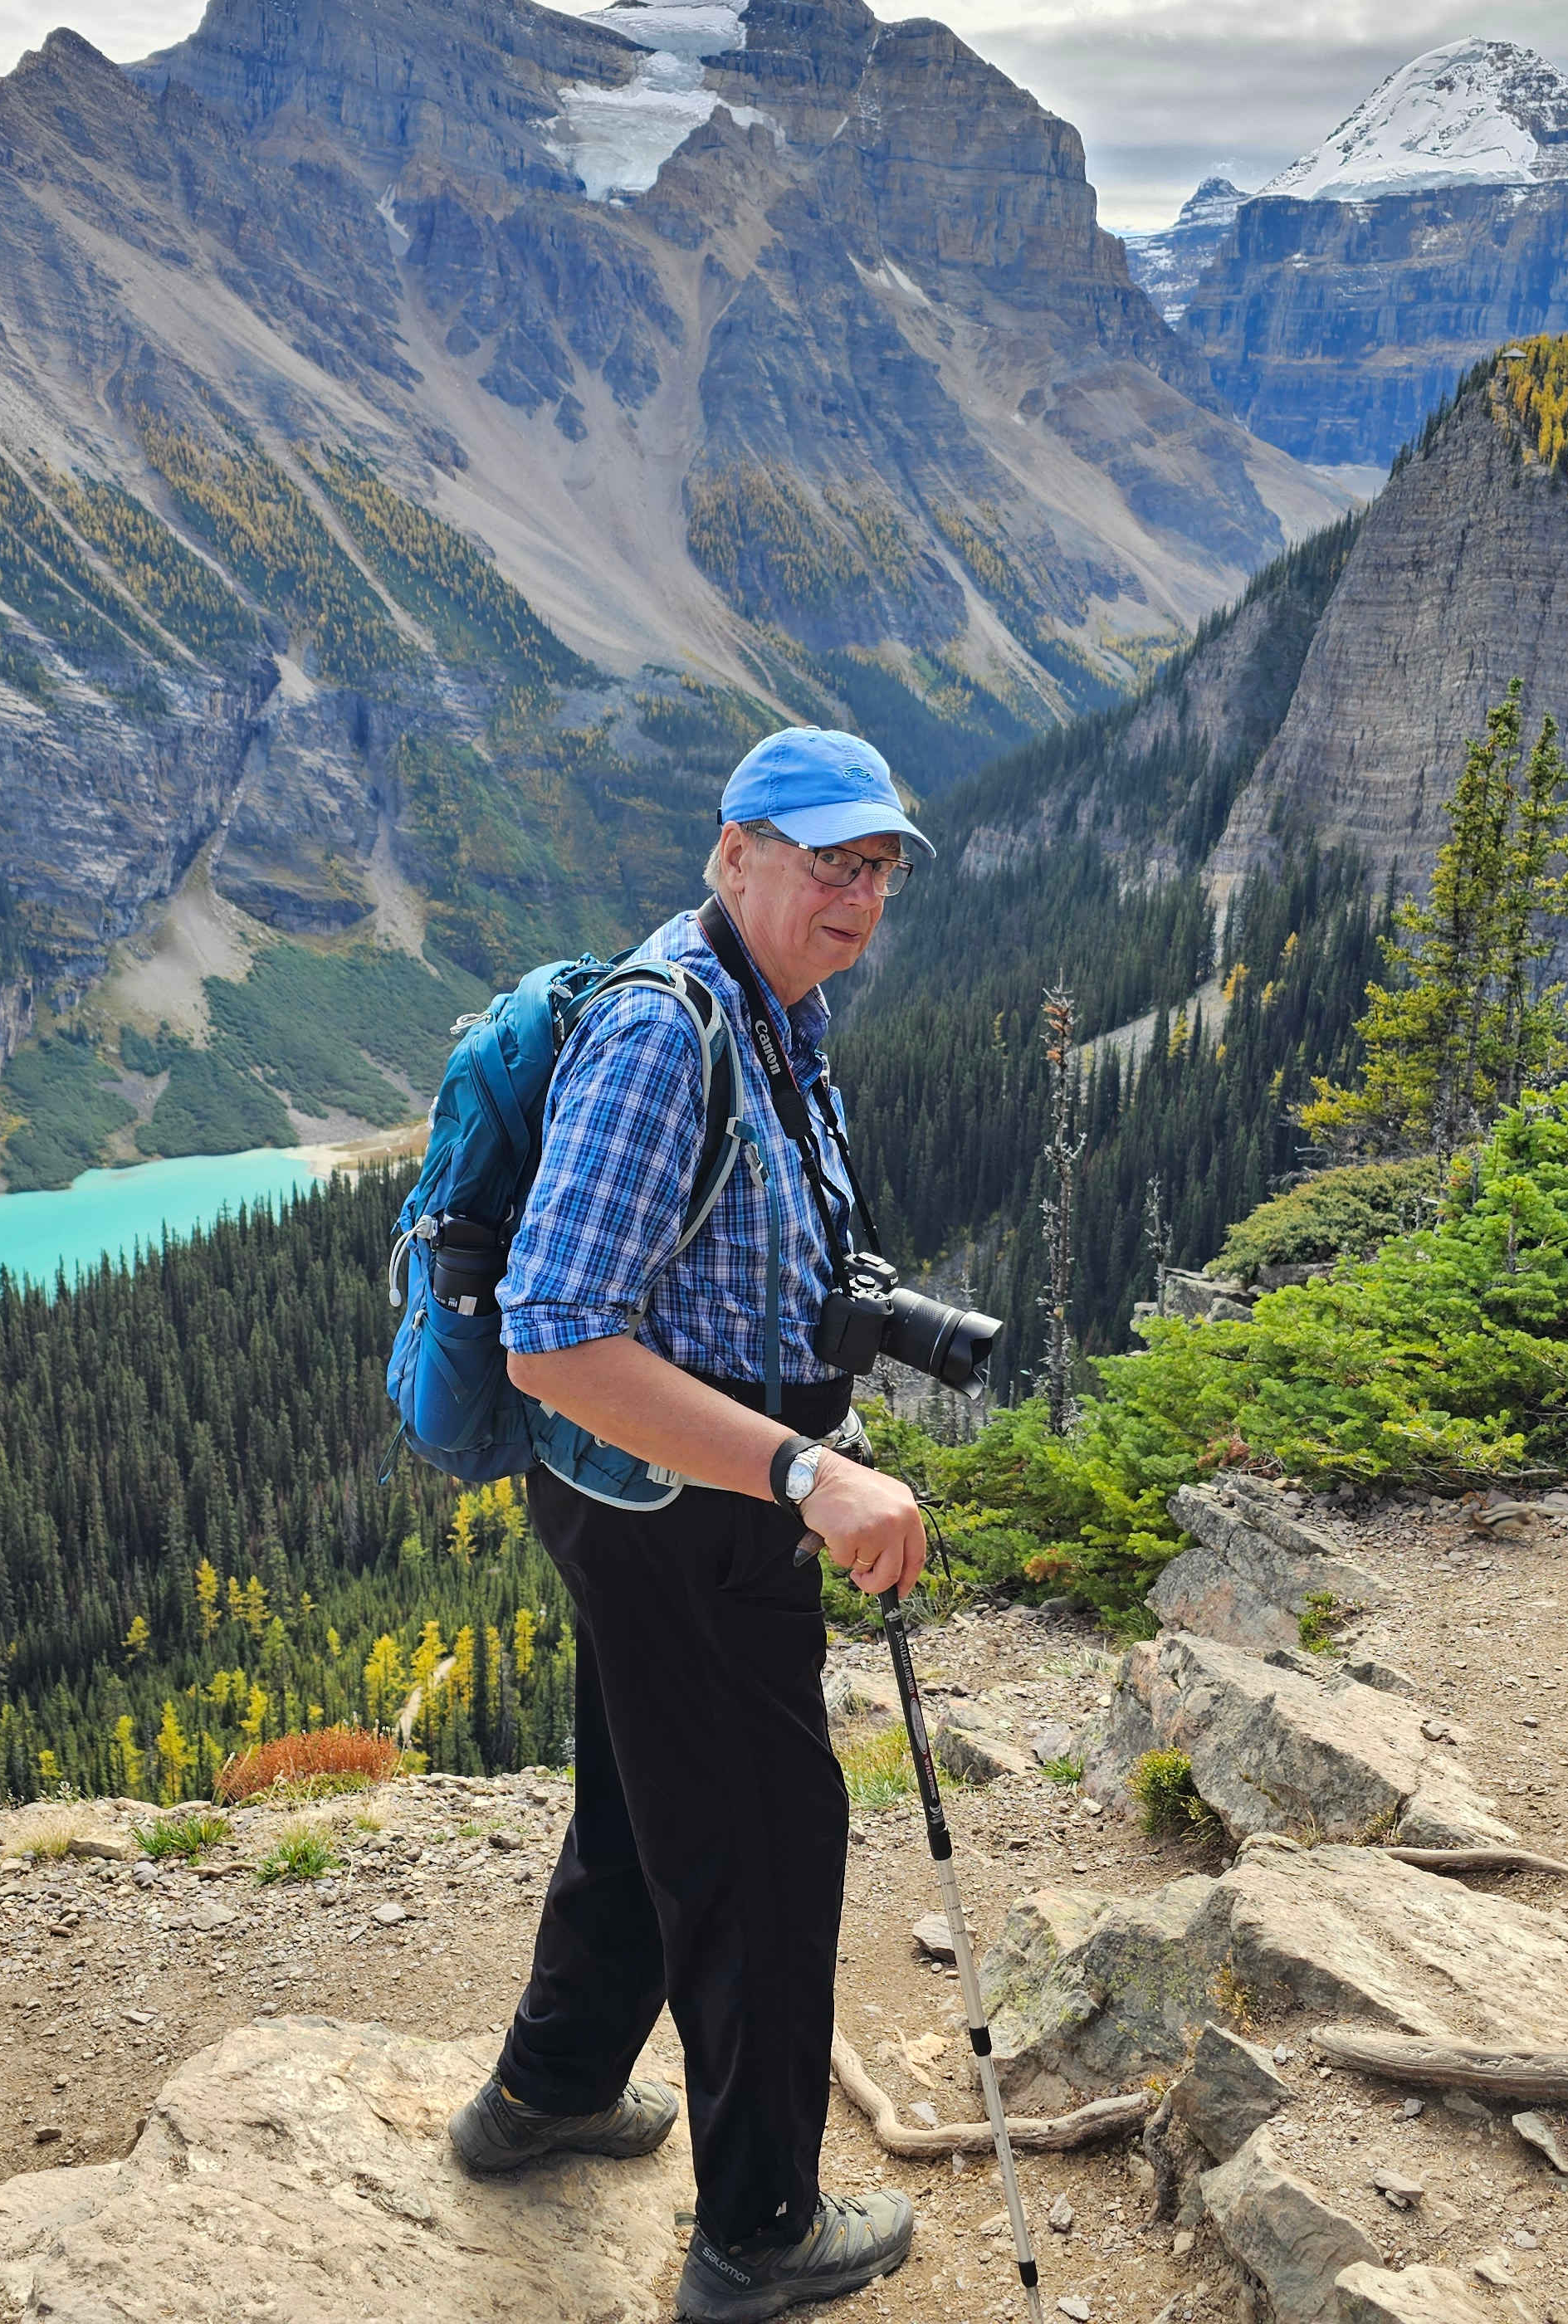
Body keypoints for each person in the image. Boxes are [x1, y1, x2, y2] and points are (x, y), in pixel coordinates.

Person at [446, 726, 935, 2324]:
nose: (855, 897)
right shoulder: (671, 1034)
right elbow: (554, 1339)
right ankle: (760, 2236)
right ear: (734, 852)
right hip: (685, 1513)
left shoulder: (773, 1008)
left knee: (644, 1792)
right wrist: (805, 1475)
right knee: (771, 1846)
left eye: (876, 870)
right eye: (825, 862)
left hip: (665, 1507)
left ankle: (548, 2095)